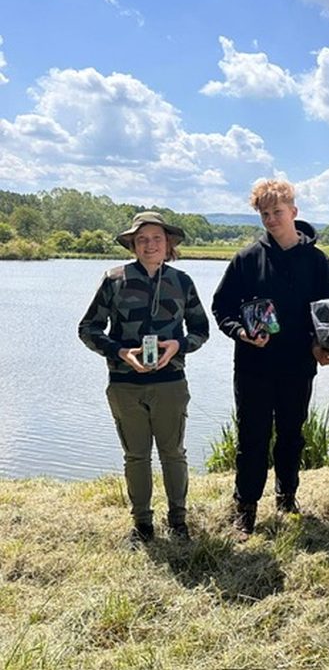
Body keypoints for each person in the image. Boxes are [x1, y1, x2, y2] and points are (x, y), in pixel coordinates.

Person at [212, 179, 329, 540]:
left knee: (291, 435)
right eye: (264, 214)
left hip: (299, 365)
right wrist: (240, 332)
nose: (271, 219)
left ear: (294, 212)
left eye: (277, 212)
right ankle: (245, 508)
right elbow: (222, 307)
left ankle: (287, 498)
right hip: (253, 366)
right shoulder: (246, 259)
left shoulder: (317, 261)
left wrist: (322, 346)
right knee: (251, 437)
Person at [79, 211, 209, 544]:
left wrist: (177, 345)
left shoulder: (182, 282)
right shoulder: (114, 279)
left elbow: (201, 330)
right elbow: (88, 328)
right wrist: (120, 352)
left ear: (168, 244)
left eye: (156, 238)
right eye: (142, 240)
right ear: (133, 245)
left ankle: (179, 522)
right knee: (136, 456)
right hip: (125, 385)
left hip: (171, 384)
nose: (150, 245)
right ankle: (142, 525)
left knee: (174, 454)